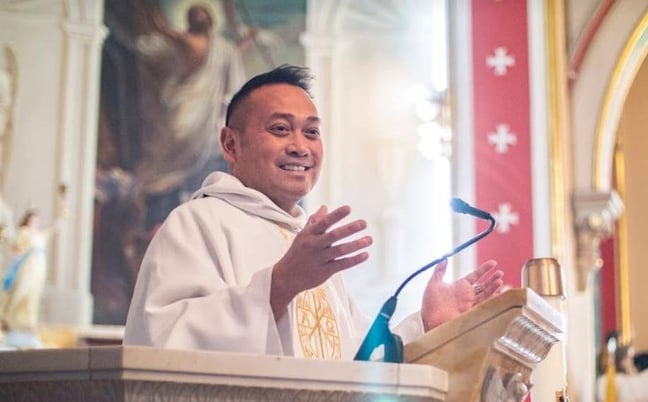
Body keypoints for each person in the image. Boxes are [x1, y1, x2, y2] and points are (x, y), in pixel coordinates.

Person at [123, 64, 504, 358]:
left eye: (311, 132)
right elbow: (160, 345)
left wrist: (425, 325)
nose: (300, 147)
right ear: (230, 144)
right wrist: (280, 285)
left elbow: (356, 365)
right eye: (279, 129)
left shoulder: (308, 243)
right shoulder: (197, 224)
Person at [133, 1, 253, 230]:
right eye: (195, 15)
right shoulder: (188, 41)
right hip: (186, 103)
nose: (199, 18)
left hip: (204, 111)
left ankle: (182, 191)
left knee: (199, 153)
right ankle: (164, 191)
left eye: (202, 14)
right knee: (178, 141)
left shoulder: (222, 48)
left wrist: (246, 41)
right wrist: (150, 10)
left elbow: (232, 54)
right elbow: (161, 30)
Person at [0, 202, 67, 349]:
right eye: (33, 219)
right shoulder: (24, 232)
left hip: (38, 269)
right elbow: (15, 247)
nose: (35, 222)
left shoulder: (39, 235)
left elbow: (54, 228)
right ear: (28, 219)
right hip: (27, 268)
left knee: (33, 297)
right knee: (21, 293)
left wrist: (63, 212)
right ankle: (13, 323)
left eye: (36, 220)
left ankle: (28, 324)